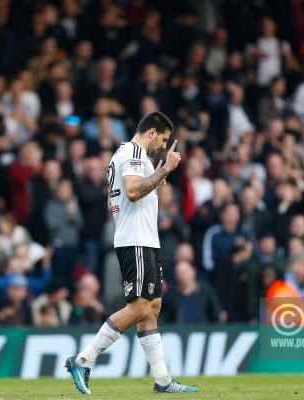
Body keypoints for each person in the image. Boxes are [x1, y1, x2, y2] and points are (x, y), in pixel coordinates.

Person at [65, 111, 197, 394]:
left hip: (145, 239)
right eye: (161, 139)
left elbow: (134, 193)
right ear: (151, 132)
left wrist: (157, 174)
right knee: (138, 307)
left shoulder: (130, 155)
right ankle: (83, 359)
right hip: (135, 239)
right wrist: (166, 169)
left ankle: (162, 380)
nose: (162, 146)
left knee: (152, 308)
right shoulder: (134, 152)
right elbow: (134, 191)